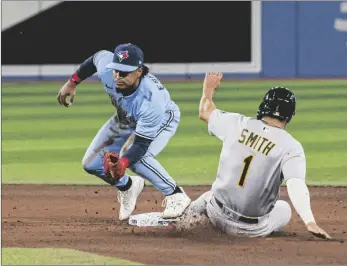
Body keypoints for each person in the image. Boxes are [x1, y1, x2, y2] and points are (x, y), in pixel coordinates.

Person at [178, 72, 331, 239]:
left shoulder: (237, 123)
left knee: (209, 196)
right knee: (284, 208)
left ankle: (183, 216)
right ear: (289, 116)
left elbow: (204, 111)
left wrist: (208, 88)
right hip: (250, 230)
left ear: (264, 106)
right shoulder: (291, 146)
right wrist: (309, 221)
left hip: (216, 214)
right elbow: (296, 184)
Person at [56, 43, 191, 221]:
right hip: (126, 118)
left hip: (163, 118)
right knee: (91, 164)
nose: (118, 76)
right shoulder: (107, 70)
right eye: (116, 70)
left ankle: (175, 194)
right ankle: (128, 186)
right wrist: (72, 83)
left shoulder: (151, 99)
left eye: (124, 72)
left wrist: (123, 163)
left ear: (139, 71)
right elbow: (96, 58)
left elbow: (141, 145)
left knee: (136, 158)